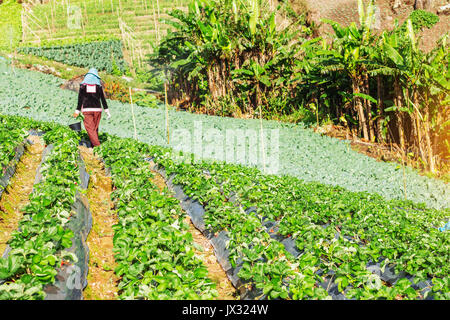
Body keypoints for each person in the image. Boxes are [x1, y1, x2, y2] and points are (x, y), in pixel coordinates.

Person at [73, 68, 111, 148]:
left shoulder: (83, 87)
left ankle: (98, 148)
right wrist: (107, 111)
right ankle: (93, 147)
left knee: (91, 130)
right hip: (98, 111)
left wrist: (77, 111)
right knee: (94, 129)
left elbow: (80, 100)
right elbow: (103, 100)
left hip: (87, 110)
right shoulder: (98, 87)